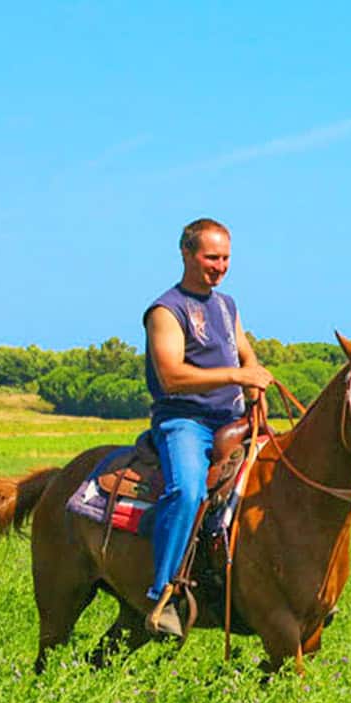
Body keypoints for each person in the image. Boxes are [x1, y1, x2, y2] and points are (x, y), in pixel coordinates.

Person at [142, 218, 273, 637]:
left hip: (232, 420)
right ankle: (164, 596)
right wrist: (236, 377)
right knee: (188, 490)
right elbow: (171, 376)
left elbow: (246, 355)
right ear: (186, 253)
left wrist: (254, 382)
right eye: (211, 257)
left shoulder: (226, 306)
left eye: (226, 258)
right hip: (185, 422)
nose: (220, 266)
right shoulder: (166, 310)